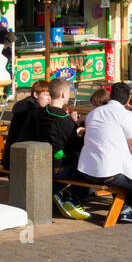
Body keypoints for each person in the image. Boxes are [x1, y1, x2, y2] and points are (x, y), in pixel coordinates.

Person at [77, 84, 132, 223]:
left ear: (111, 96)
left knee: (127, 177)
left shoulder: (93, 113)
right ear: (128, 100)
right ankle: (128, 209)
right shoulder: (125, 115)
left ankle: (124, 207)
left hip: (87, 170)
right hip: (109, 172)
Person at [39, 78, 90, 219]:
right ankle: (71, 196)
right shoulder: (64, 119)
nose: (69, 95)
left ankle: (63, 194)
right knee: (88, 164)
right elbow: (77, 144)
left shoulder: (42, 113)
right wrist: (81, 131)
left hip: (43, 162)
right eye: (68, 92)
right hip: (60, 166)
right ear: (62, 94)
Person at [1, 79, 50, 170]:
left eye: (51, 95)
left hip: (10, 158)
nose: (49, 99)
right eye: (46, 95)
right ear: (36, 95)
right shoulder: (33, 111)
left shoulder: (25, 106)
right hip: (21, 159)